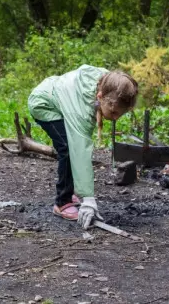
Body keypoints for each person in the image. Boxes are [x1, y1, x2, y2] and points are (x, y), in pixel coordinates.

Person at [28, 64, 138, 229]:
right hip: (44, 104)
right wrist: (88, 199)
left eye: (120, 114)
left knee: (69, 147)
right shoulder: (80, 111)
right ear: (100, 97)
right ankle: (62, 202)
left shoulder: (110, 83)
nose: (115, 118)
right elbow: (79, 151)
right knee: (67, 148)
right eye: (113, 113)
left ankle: (70, 190)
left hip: (56, 92)